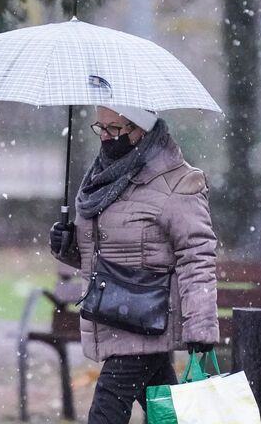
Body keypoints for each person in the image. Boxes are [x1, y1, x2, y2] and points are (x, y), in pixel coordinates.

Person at [50, 105, 219, 424]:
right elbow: (100, 251)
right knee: (167, 412)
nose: (107, 137)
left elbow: (197, 255)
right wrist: (68, 245)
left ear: (142, 128)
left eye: (116, 129)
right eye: (101, 128)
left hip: (150, 317)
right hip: (114, 313)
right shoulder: (102, 178)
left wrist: (201, 326)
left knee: (107, 408)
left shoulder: (178, 182)